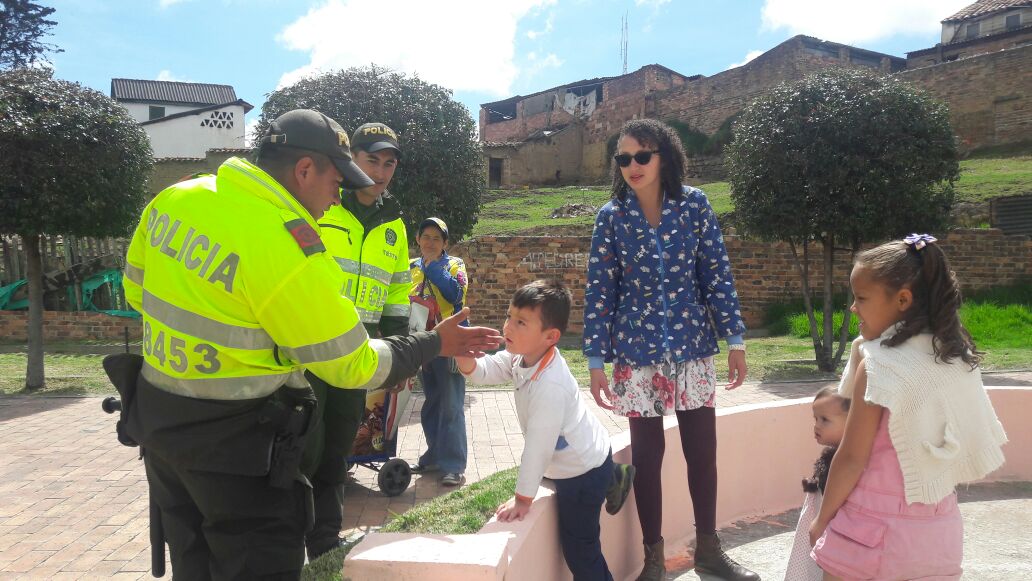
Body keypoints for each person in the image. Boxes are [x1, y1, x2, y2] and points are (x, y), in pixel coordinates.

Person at [121, 109, 501, 580]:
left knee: (193, 564)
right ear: (304, 170)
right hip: (237, 450)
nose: (335, 196)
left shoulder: (179, 196)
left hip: (159, 426)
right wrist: (432, 343)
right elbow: (351, 364)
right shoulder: (287, 244)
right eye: (335, 181)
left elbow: (136, 290)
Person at [582, 118, 758, 581]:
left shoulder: (694, 205)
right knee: (647, 458)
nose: (633, 166)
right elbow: (600, 290)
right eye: (624, 159)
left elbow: (716, 274)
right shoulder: (611, 217)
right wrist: (596, 360)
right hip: (635, 355)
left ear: (665, 157)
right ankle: (653, 559)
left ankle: (709, 550)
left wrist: (734, 339)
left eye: (643, 155)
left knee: (702, 452)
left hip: (693, 347)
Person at [808, 234, 1008, 580]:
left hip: (868, 538)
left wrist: (821, 520)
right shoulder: (956, 357)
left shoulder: (880, 367)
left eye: (860, 298)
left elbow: (852, 458)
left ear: (902, 299)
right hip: (937, 538)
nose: (853, 308)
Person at [456, 280, 635, 581]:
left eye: (521, 322)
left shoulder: (550, 386)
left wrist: (523, 499)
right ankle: (615, 475)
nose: (508, 327)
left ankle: (609, 476)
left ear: (550, 336)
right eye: (510, 316)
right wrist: (463, 355)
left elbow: (537, 450)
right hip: (584, 449)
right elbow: (487, 371)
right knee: (571, 472)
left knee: (580, 549)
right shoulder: (523, 356)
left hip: (581, 471)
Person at [302, 122, 409, 560]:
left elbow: (398, 295)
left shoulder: (395, 228)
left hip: (356, 357)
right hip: (306, 351)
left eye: (389, 164)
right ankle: (287, 541)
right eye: (371, 160)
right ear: (352, 162)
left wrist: (402, 358)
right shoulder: (322, 208)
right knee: (302, 449)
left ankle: (325, 544)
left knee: (337, 451)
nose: (380, 172)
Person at [408, 217, 469, 486]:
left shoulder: (455, 265)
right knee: (431, 403)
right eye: (426, 237)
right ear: (418, 240)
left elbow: (456, 294)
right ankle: (434, 456)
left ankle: (453, 465)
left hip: (451, 344)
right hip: (422, 343)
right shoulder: (409, 267)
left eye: (436, 238)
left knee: (452, 404)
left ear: (445, 243)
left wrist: (433, 270)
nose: (430, 242)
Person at [784, 387, 849, 581]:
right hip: (817, 534)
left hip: (833, 538)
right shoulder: (830, 457)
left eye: (825, 420)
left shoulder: (850, 464)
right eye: (816, 419)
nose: (817, 426)